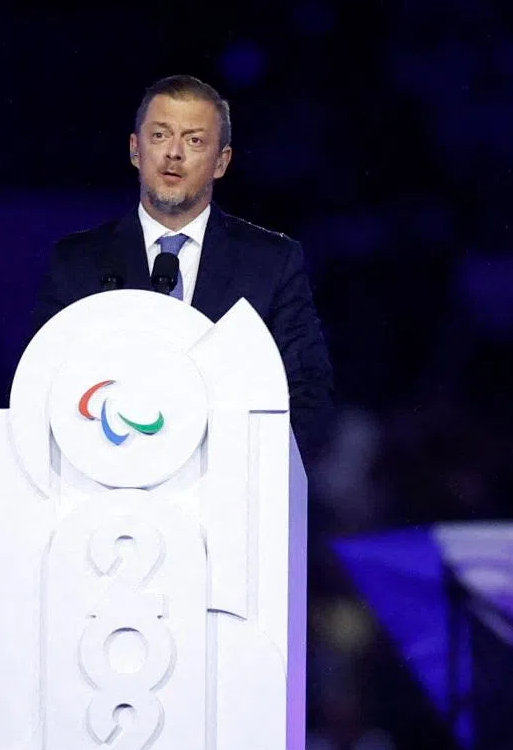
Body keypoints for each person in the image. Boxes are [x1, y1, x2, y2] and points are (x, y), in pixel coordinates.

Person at [32, 74, 335, 467]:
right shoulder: (77, 262)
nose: (173, 153)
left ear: (221, 162)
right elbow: (41, 384)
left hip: (232, 491)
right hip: (106, 491)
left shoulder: (271, 263)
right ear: (134, 149)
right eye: (159, 136)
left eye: (194, 141)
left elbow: (308, 392)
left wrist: (251, 475)